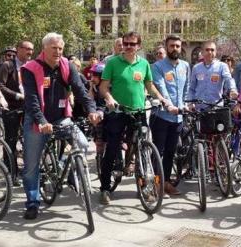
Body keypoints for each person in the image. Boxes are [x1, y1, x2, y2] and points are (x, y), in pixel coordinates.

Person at [21, 32, 99, 220]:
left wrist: (91, 110)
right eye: (54, 48)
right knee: (31, 166)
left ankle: (73, 170)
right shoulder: (30, 68)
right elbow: (31, 101)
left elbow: (80, 91)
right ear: (44, 48)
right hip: (37, 121)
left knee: (82, 143)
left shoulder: (67, 66)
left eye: (61, 48)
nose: (58, 52)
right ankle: (32, 202)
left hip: (61, 118)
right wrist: (42, 121)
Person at [99, 31, 166, 205]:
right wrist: (110, 99)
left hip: (138, 112)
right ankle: (105, 188)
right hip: (118, 112)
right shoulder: (113, 62)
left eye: (132, 44)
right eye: (126, 43)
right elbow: (103, 87)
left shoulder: (144, 64)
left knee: (143, 150)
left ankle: (145, 187)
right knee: (112, 150)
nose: (128, 47)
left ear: (139, 46)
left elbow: (149, 86)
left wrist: (161, 99)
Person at [150, 35, 190, 197]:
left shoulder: (186, 66)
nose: (175, 48)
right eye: (172, 46)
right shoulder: (158, 66)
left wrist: (186, 104)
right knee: (158, 151)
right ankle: (156, 184)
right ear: (166, 47)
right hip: (161, 116)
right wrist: (169, 105)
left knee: (171, 152)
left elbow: (187, 88)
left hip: (178, 117)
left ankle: (166, 182)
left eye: (178, 46)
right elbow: (160, 87)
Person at [0, 40, 34, 186]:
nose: (30, 52)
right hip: (12, 107)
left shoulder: (31, 66)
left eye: (32, 49)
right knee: (11, 140)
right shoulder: (7, 65)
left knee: (30, 139)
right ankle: (11, 173)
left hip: (28, 107)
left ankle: (29, 171)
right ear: (18, 49)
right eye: (27, 49)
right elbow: (0, 86)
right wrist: (17, 96)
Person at [187, 40, 238, 107]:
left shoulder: (222, 66)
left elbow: (229, 79)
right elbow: (191, 88)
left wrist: (232, 89)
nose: (210, 52)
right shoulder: (196, 68)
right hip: (199, 108)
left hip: (216, 107)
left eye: (212, 50)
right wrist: (190, 102)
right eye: (207, 50)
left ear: (216, 52)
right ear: (202, 52)